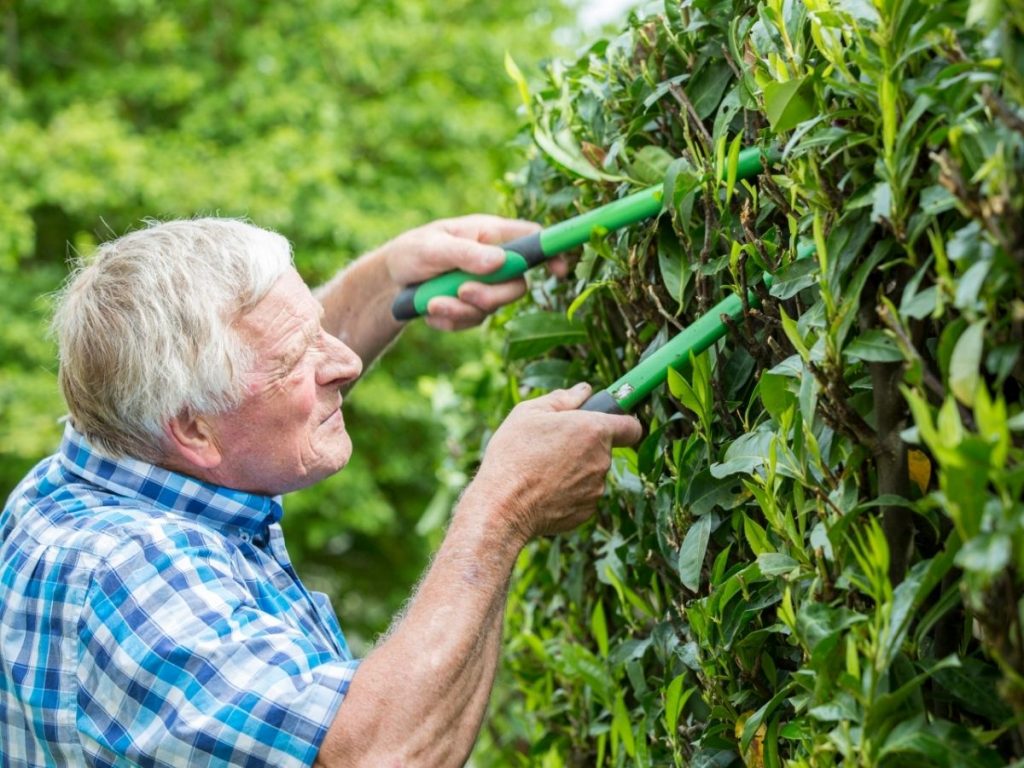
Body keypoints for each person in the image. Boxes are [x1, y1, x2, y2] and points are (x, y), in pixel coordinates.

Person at [0, 215, 641, 767]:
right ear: (193, 427)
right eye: (297, 358)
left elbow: (249, 389)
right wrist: (505, 505)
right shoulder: (129, 580)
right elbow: (380, 754)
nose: (345, 363)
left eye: (318, 326)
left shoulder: (90, 470)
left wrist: (392, 279)